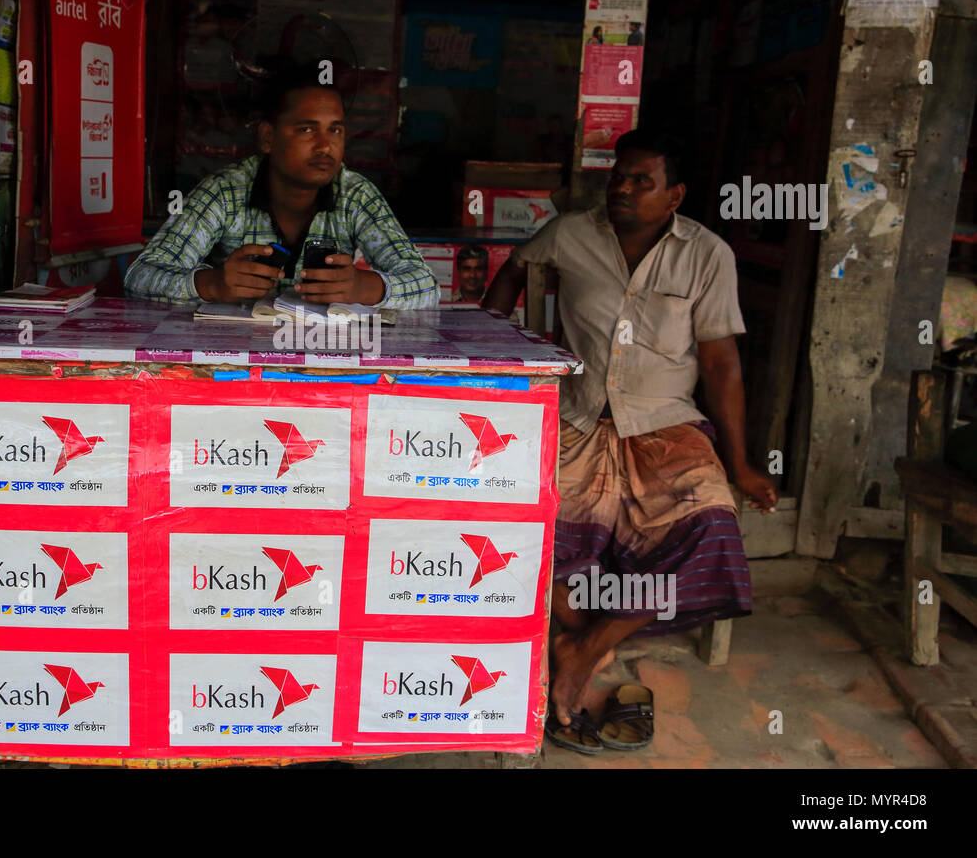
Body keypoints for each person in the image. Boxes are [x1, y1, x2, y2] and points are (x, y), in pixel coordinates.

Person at [482, 128, 777, 749]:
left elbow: (722, 364)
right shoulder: (569, 232)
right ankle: (581, 639)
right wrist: (492, 345)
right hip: (578, 416)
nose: (623, 188)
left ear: (675, 195)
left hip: (665, 425)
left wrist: (742, 462)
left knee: (712, 527)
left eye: (642, 181)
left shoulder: (707, 254)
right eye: (619, 176)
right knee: (527, 520)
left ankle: (584, 647)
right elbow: (511, 276)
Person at [125, 68, 438, 309]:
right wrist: (209, 284)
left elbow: (426, 285)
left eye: (335, 130)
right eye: (306, 129)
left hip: (326, 365)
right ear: (267, 138)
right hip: (231, 365)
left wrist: (366, 288)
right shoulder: (225, 192)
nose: (325, 145)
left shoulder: (355, 193)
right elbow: (139, 278)